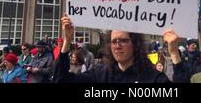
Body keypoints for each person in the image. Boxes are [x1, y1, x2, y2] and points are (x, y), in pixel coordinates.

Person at [53, 14, 190, 83]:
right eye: (114, 41)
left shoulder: (152, 77)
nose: (117, 45)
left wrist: (174, 54)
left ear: (135, 44)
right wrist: (67, 41)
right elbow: (61, 80)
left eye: (123, 41)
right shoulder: (100, 74)